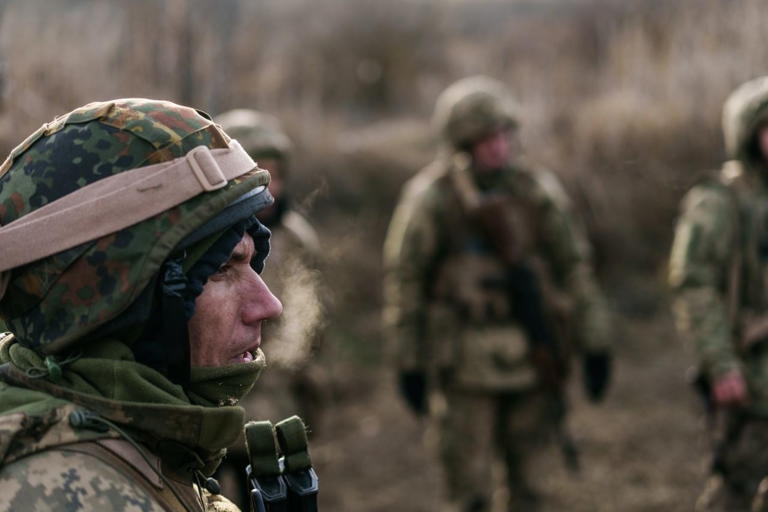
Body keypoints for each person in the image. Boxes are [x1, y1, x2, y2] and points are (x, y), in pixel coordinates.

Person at [0, 99, 312, 511]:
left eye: (252, 263)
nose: (269, 306)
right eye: (220, 269)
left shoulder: (139, 451)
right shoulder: (75, 492)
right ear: (119, 301)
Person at [382, 75, 612, 511]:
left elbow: (574, 267)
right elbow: (405, 280)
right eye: (486, 138)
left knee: (533, 488)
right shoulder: (431, 198)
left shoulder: (536, 191)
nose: (499, 146)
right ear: (462, 144)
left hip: (534, 355)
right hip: (464, 364)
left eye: (505, 135)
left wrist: (595, 340)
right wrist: (407, 360)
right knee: (469, 492)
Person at [212, 108, 325, 509]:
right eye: (261, 173)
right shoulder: (202, 239)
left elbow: (314, 324)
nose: (271, 186)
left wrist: (309, 381)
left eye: (278, 174)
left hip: (272, 405)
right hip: (212, 404)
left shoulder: (296, 239)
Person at [669, 75, 768, 511]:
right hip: (750, 370)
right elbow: (694, 285)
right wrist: (720, 363)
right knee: (736, 487)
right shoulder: (719, 202)